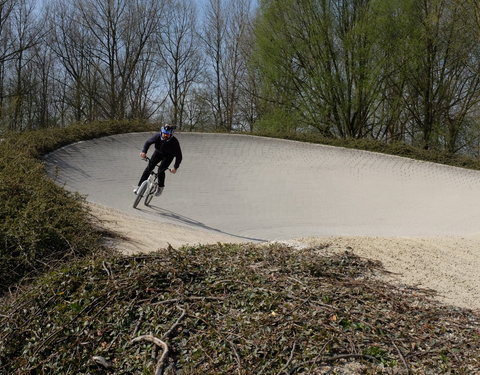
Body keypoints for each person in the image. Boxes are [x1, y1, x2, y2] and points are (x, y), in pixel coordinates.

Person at [134, 124, 182, 196]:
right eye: (164, 134)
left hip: (169, 156)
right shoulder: (157, 136)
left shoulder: (174, 142)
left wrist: (175, 167)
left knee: (160, 170)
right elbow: (148, 142)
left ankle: (160, 187)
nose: (165, 136)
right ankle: (139, 187)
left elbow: (179, 156)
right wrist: (144, 151)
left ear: (171, 135)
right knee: (148, 168)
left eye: (167, 135)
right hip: (158, 153)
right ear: (161, 133)